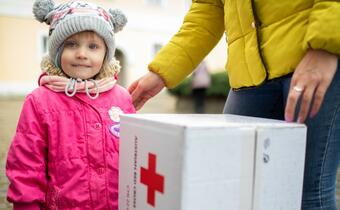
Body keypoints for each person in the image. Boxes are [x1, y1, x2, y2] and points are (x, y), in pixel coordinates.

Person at [128, 1, 340, 209]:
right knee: (232, 187)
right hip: (248, 74)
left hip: (312, 58)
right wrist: (162, 71)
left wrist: (327, 44)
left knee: (308, 194)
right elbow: (206, 12)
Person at [6, 0, 135, 209]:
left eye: (93, 46)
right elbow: (26, 162)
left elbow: (136, 154)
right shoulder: (40, 101)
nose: (82, 53)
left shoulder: (121, 98)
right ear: (57, 52)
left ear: (106, 54)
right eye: (71, 44)